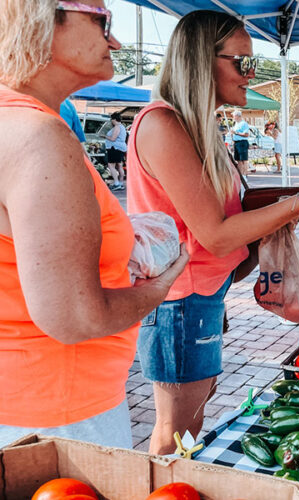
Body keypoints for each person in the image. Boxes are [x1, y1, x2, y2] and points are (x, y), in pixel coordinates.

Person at [126, 10, 299, 455]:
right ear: (201, 61)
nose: (251, 74)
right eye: (242, 62)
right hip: (180, 300)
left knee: (194, 415)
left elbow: (223, 215)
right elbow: (217, 235)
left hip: (201, 294)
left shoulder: (195, 126)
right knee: (176, 432)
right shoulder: (164, 125)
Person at [0, 0, 188, 449]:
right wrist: (161, 287)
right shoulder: (39, 136)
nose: (116, 41)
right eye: (102, 21)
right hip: (57, 416)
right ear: (43, 18)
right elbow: (76, 317)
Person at [105, 111, 127, 190]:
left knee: (111, 165)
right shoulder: (122, 127)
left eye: (112, 119)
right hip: (120, 148)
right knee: (120, 165)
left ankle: (117, 183)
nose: (111, 121)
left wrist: (105, 136)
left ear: (114, 119)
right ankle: (120, 183)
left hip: (114, 148)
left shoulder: (117, 127)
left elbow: (113, 138)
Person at [231, 109, 250, 176]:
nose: (233, 117)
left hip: (242, 142)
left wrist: (236, 133)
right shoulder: (236, 123)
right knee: (238, 160)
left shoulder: (244, 123)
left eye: (234, 116)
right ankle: (240, 175)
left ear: (237, 116)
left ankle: (244, 174)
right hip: (236, 143)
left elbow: (246, 134)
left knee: (243, 160)